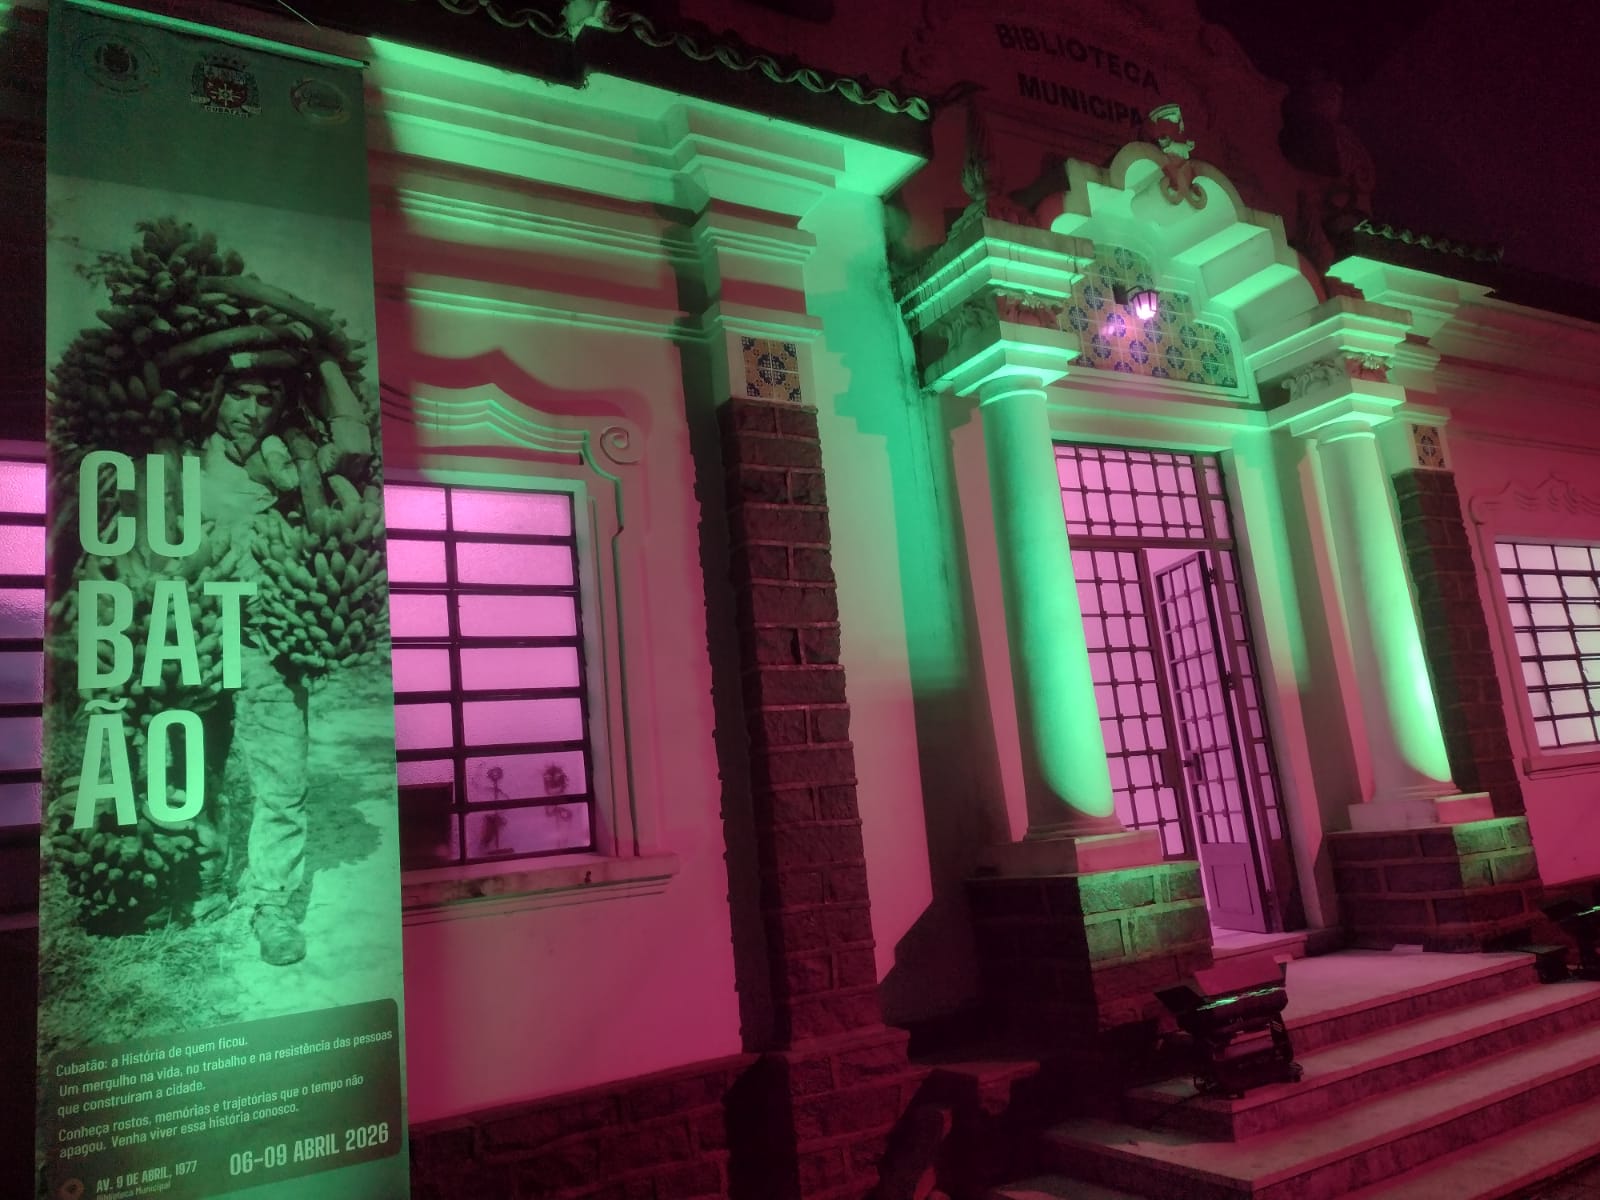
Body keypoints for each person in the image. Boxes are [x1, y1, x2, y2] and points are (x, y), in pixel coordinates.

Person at [198, 362, 369, 965]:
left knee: (282, 778)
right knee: (195, 768)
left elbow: (353, 449)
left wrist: (324, 360)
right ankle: (205, 881)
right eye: (238, 396)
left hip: (266, 637)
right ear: (216, 399)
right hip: (194, 629)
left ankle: (270, 903)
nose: (250, 410)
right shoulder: (182, 457)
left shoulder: (289, 460)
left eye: (265, 398)